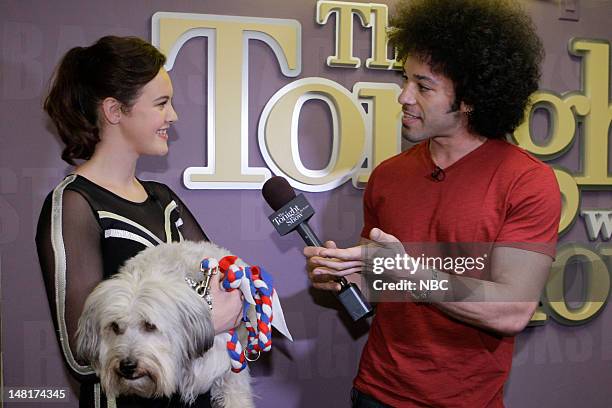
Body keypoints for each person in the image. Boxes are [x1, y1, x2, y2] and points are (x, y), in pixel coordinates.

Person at [304, 0, 561, 407]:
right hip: (375, 392)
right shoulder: (389, 176)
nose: (403, 97)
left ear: (470, 98)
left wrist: (407, 269)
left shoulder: (527, 182)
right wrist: (344, 278)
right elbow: (380, 287)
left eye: (423, 87)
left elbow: (511, 311)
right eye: (405, 80)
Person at [36, 36, 242, 408]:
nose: (173, 116)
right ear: (115, 110)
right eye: (161, 103)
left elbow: (223, 279)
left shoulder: (163, 198)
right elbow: (80, 355)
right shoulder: (75, 204)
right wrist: (203, 327)